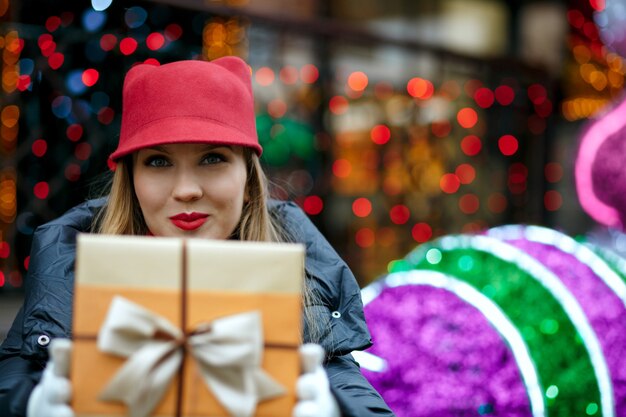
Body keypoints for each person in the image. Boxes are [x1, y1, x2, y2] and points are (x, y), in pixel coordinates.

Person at [0, 57, 395, 417]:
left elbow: (358, 399)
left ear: (247, 179)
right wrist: (30, 405)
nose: (186, 189)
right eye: (158, 161)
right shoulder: (63, 278)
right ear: (131, 179)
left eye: (212, 158)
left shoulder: (307, 287)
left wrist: (335, 410)